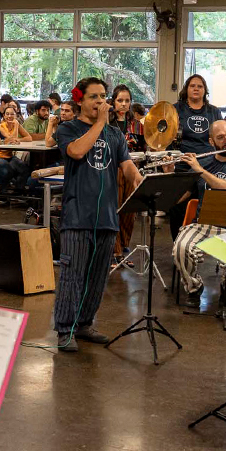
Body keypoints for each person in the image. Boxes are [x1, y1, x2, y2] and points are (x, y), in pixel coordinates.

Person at [50, 78, 142, 352]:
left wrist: (140, 181)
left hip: (106, 217)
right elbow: (77, 152)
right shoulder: (67, 129)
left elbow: (127, 166)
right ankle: (65, 330)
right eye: (94, 97)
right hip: (78, 215)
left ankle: (85, 323)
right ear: (79, 100)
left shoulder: (114, 134)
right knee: (72, 275)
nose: (101, 102)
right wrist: (100, 124)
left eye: (104, 96)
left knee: (98, 275)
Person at [171, 120, 226, 308]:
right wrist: (169, 172)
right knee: (181, 247)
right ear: (212, 142)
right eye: (221, 138)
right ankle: (194, 288)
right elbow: (178, 197)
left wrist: (200, 171)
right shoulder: (202, 163)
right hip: (202, 223)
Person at [169, 75, 221, 239]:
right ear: (187, 89)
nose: (196, 89)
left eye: (200, 86)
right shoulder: (175, 109)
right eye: (192, 86)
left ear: (205, 90)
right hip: (182, 163)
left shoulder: (213, 111)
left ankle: (200, 244)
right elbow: (166, 135)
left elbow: (220, 135)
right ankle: (178, 244)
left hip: (207, 165)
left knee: (203, 206)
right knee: (178, 206)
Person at [109, 85, 145, 263]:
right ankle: (114, 250)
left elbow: (146, 147)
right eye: (120, 100)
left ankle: (124, 247)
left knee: (129, 210)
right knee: (114, 208)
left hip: (132, 170)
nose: (123, 104)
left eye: (127, 101)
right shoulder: (106, 123)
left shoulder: (137, 125)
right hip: (112, 170)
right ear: (113, 101)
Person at [0, 103, 32, 194]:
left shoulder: (16, 123)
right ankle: (1, 191)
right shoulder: (1, 126)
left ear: (16, 115)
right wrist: (16, 126)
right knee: (8, 170)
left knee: (24, 168)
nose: (9, 116)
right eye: (7, 114)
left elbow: (29, 138)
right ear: (3, 115)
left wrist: (18, 139)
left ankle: (18, 191)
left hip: (10, 156)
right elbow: (10, 138)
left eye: (12, 114)